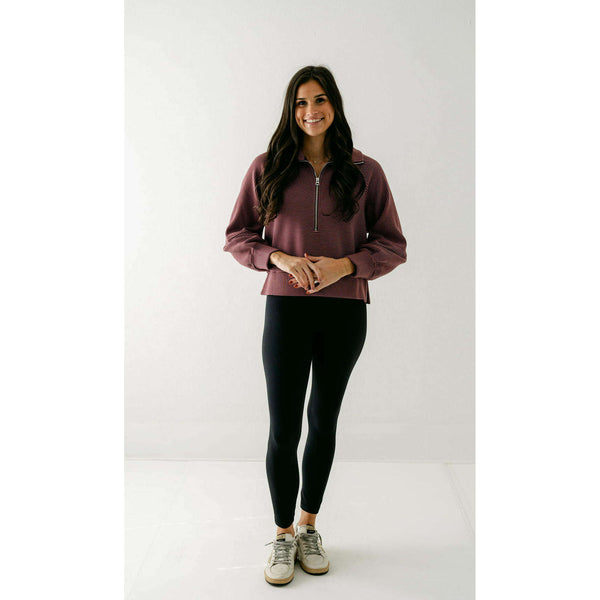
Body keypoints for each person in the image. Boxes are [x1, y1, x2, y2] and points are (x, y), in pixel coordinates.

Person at [223, 65, 408, 585]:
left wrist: (345, 265)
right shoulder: (268, 167)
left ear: (335, 105)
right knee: (284, 428)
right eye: (301, 102)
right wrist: (278, 258)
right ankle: (282, 534)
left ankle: (308, 526)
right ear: (291, 109)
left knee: (323, 421)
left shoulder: (366, 171)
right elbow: (238, 236)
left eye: (320, 100)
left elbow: (393, 244)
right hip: (285, 308)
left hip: (345, 310)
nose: (311, 111)